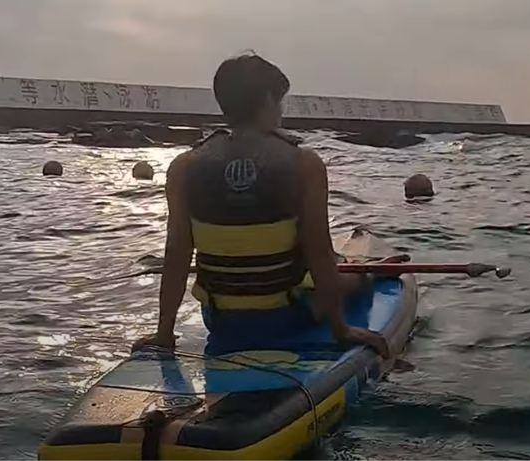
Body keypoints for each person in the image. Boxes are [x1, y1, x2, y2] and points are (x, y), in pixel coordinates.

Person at [131, 53, 390, 358]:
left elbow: (176, 253)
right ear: (268, 99)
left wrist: (164, 334)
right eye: (279, 102)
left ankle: (357, 268)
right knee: (352, 276)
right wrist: (340, 329)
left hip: (220, 321)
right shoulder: (305, 164)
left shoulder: (182, 167)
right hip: (286, 319)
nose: (280, 112)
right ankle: (365, 270)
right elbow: (318, 252)